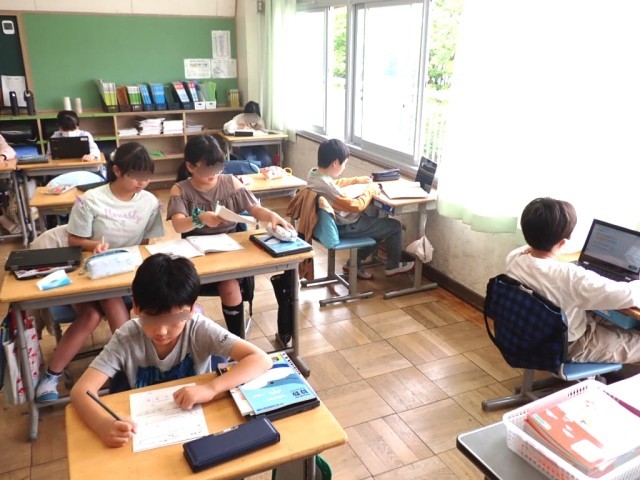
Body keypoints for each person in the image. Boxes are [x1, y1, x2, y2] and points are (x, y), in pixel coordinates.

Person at [70, 253, 272, 448]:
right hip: (145, 430)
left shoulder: (199, 328)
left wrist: (211, 389)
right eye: (151, 319)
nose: (162, 331)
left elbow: (261, 359)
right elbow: (80, 391)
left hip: (196, 422)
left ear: (191, 310)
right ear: (136, 308)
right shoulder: (127, 337)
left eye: (175, 320)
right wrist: (102, 424)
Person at [35, 142, 165, 402]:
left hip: (126, 272)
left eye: (147, 176)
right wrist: (94, 245)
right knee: (95, 313)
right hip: (89, 272)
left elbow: (145, 243)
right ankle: (54, 376)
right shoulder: (91, 199)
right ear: (117, 171)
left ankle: (131, 366)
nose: (142, 182)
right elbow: (73, 239)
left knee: (150, 299)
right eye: (135, 175)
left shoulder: (149, 202)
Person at [167, 134, 293, 337]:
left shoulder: (230, 182)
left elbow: (254, 208)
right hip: (197, 254)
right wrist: (200, 218)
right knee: (179, 292)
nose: (213, 174)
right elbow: (178, 224)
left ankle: (236, 339)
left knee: (229, 285)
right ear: (190, 167)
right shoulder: (180, 189)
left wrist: (272, 216)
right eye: (206, 169)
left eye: (217, 167)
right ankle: (189, 334)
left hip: (229, 249)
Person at [506, 197, 640, 363]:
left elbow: (533, 249)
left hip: (532, 332)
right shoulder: (569, 277)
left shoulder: (514, 257)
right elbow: (625, 295)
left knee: (612, 321)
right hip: (568, 344)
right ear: (563, 243)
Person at [307, 139, 414, 278]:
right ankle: (392, 266)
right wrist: (370, 190)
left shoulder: (314, 175)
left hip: (330, 224)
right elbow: (356, 206)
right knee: (394, 226)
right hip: (345, 226)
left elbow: (335, 183)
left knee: (374, 223)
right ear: (335, 163)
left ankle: (354, 264)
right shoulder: (326, 186)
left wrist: (357, 180)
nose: (344, 167)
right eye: (344, 164)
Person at [223, 101, 273, 167]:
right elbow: (226, 127)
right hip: (244, 146)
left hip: (258, 146)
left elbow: (263, 134)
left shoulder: (260, 120)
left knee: (267, 160)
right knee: (250, 160)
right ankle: (254, 167)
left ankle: (257, 167)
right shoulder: (240, 118)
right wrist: (239, 126)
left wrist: (259, 128)